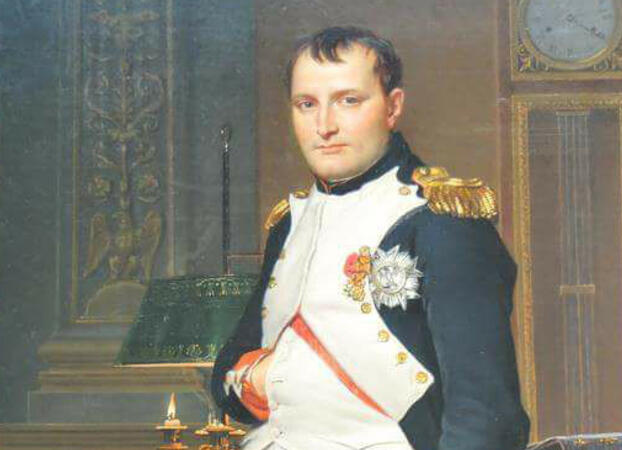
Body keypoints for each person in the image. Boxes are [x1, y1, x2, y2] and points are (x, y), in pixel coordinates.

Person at [209, 26, 530, 450]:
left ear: (392, 107)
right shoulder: (290, 222)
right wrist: (255, 377)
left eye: (348, 101)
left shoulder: (441, 221)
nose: (325, 126)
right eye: (307, 104)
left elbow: (487, 416)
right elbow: (226, 376)